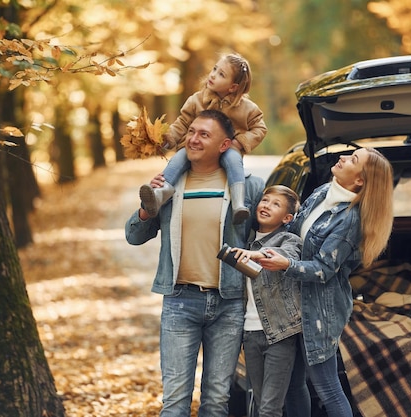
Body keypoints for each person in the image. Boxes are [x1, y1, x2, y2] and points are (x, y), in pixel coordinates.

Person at [125, 109, 265, 417]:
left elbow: (271, 239)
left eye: (204, 134)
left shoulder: (249, 187)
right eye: (191, 132)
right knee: (175, 403)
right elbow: (134, 236)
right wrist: (148, 207)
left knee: (216, 401)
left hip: (229, 304)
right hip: (180, 302)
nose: (193, 139)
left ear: (225, 145)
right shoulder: (168, 185)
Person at [259, 148, 394, 417]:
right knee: (294, 385)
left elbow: (323, 269)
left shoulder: (350, 219)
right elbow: (293, 231)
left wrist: (286, 264)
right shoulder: (324, 192)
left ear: (359, 181)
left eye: (353, 160)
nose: (343, 158)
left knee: (328, 389)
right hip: (293, 303)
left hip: (320, 311)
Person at [139, 52, 267, 225]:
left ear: (233, 87)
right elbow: (182, 123)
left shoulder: (246, 108)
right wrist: (168, 139)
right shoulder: (197, 100)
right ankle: (161, 193)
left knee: (234, 160)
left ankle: (238, 203)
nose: (213, 75)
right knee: (178, 159)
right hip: (195, 148)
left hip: (228, 148)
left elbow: (260, 128)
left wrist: (239, 142)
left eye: (221, 74)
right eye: (214, 69)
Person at [228, 185, 303, 417]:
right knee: (260, 405)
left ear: (287, 218)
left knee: (270, 408)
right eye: (265, 200)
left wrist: (256, 255)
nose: (267, 206)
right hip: (250, 334)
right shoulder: (246, 242)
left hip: (279, 334)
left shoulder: (289, 239)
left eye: (276, 204)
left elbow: (287, 258)